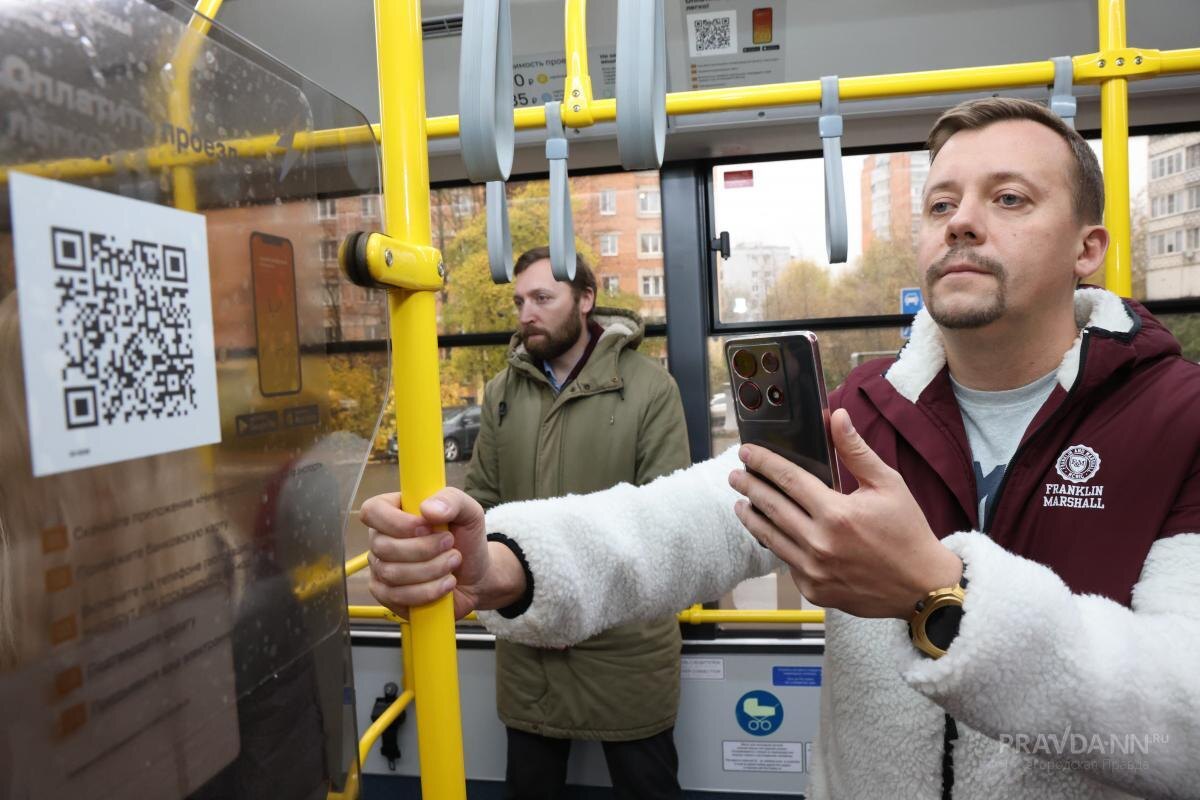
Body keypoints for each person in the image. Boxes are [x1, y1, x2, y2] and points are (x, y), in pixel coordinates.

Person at [363, 98, 1200, 799]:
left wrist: (939, 596)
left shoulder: (1175, 420)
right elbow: (685, 519)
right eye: (940, 205)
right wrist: (508, 562)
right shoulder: (868, 409)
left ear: (1089, 249)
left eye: (1009, 199)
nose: (962, 224)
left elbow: (1183, 714)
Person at [447, 246, 692, 798]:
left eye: (542, 298)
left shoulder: (650, 389)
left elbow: (664, 519)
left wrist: (569, 598)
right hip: (530, 648)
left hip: (625, 650)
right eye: (518, 301)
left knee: (648, 787)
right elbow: (483, 502)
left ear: (586, 299)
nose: (526, 313)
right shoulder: (502, 393)